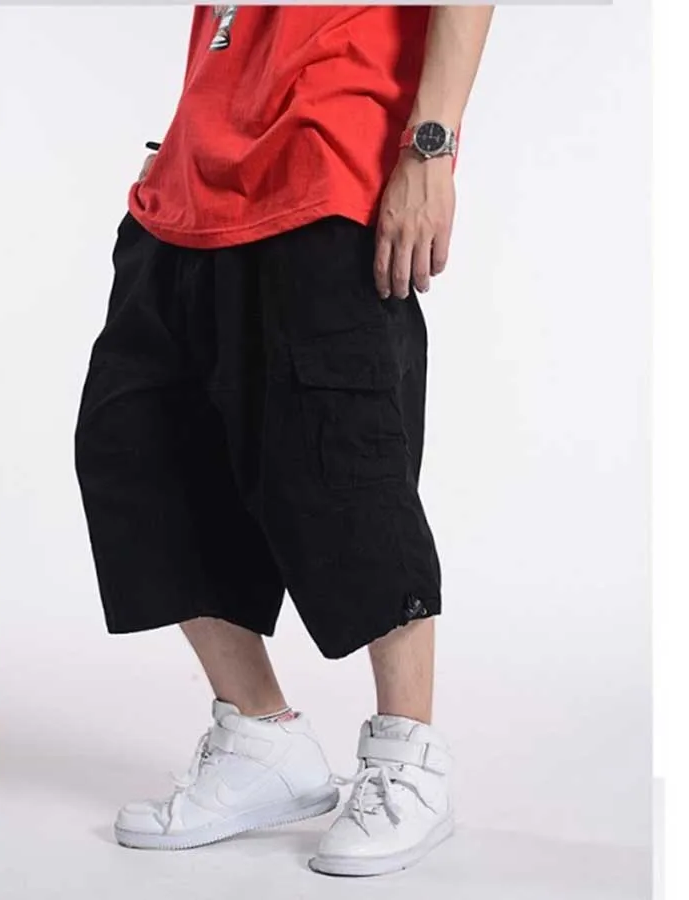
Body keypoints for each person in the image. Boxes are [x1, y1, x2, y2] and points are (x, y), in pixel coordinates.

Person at [74, 4, 493, 877]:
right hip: (190, 179)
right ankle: (261, 741)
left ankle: (409, 757)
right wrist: (188, 134)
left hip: (329, 159)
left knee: (343, 467)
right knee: (139, 448)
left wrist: (431, 147)